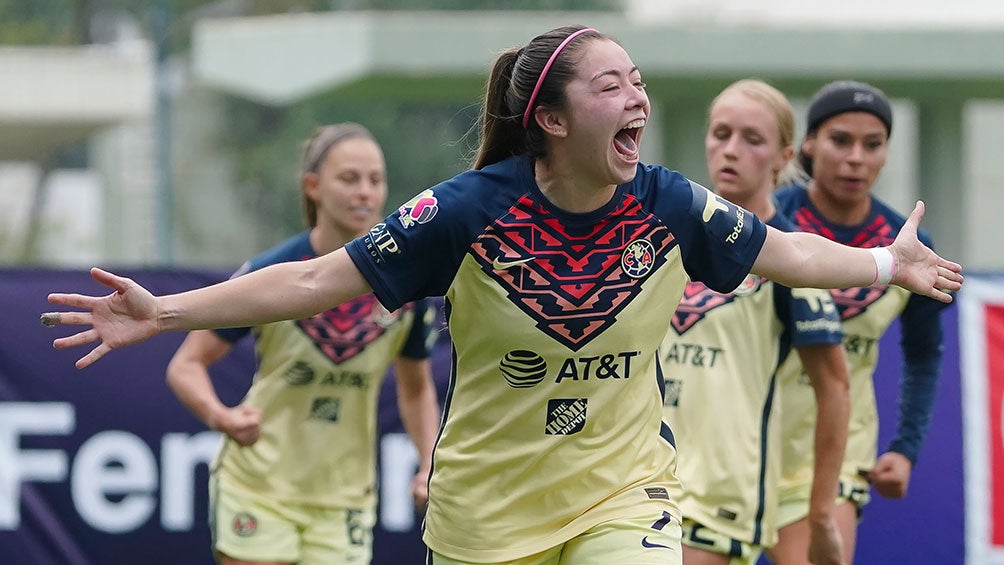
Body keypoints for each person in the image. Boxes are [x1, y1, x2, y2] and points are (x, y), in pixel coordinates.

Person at [42, 27, 961, 565]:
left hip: (623, 490)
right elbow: (315, 280)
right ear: (551, 120)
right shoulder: (465, 210)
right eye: (612, 86)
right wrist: (164, 311)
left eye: (637, 81)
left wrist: (889, 263)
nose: (637, 96)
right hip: (485, 511)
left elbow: (788, 253)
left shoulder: (670, 202)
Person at [164, 123, 441, 565]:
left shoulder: (404, 288)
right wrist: (222, 417)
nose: (365, 192)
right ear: (313, 187)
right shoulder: (272, 273)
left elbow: (416, 388)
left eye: (375, 180)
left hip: (344, 499)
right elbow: (186, 365)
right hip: (259, 486)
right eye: (349, 179)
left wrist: (428, 463)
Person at [661, 79, 850, 565]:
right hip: (639, 483)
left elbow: (834, 388)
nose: (730, 150)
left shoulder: (793, 261)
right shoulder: (661, 241)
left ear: (784, 155)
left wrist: (822, 515)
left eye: (752, 139)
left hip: (719, 500)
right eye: (720, 133)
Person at [767, 81, 953, 565]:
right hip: (746, 438)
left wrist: (906, 448)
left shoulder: (910, 244)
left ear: (887, 154)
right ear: (808, 144)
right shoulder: (766, 222)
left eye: (873, 144)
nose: (856, 157)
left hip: (838, 452)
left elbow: (924, 354)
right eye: (840, 140)